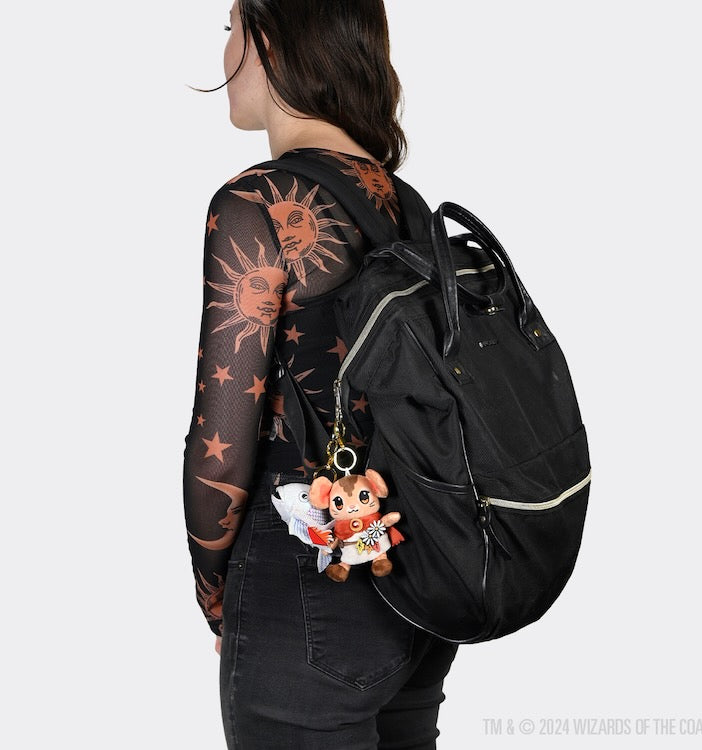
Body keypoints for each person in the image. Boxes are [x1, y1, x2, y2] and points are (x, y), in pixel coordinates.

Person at [182, 2, 459, 748]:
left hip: (304, 582)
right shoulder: (407, 206)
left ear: (269, 41)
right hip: (421, 582)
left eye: (231, 28)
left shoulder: (257, 204)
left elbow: (222, 439)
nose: (226, 50)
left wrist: (216, 592)